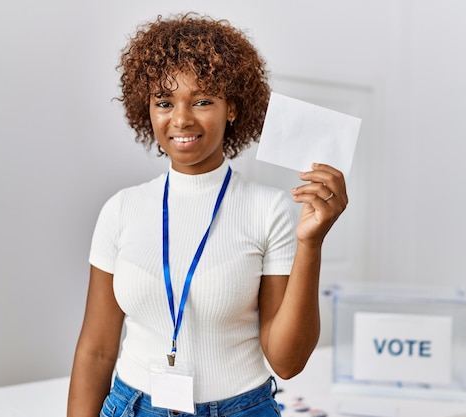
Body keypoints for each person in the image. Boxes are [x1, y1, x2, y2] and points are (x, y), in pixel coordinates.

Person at [67, 12, 348, 417]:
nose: (181, 119)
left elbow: (287, 362)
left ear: (231, 108)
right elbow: (96, 350)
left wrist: (311, 244)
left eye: (202, 101)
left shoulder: (267, 210)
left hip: (240, 409)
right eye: (164, 102)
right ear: (146, 109)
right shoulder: (121, 209)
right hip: (132, 407)